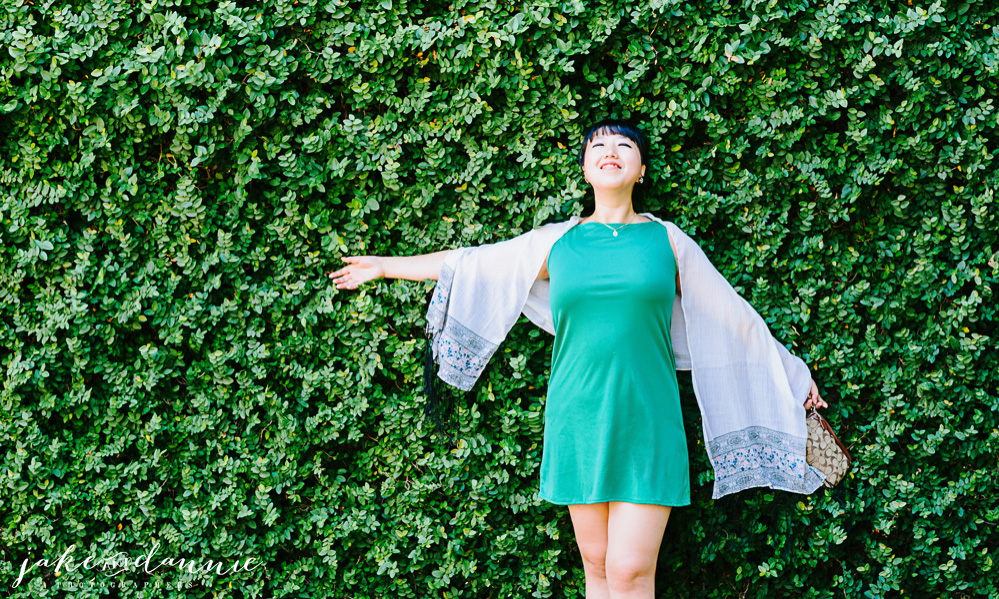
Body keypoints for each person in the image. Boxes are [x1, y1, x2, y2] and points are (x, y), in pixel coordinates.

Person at [329, 118, 829, 599]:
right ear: (586, 170)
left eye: (624, 147)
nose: (610, 153)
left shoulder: (669, 241)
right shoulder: (556, 243)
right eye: (598, 148)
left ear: (641, 171)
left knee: (630, 570)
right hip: (576, 418)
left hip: (647, 421)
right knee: (596, 565)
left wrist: (791, 373)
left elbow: (731, 317)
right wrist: (385, 267)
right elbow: (472, 265)